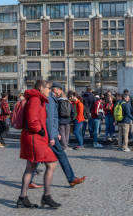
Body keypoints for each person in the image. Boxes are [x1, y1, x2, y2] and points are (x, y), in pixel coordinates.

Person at [17, 80, 60, 209]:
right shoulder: (36, 99)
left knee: (30, 167)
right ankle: (46, 196)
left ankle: (22, 198)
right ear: (41, 88)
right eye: (48, 88)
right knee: (51, 164)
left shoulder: (36, 98)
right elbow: (32, 119)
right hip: (35, 138)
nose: (50, 90)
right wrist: (40, 130)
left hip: (34, 137)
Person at [45, 82, 86, 187]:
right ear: (56, 89)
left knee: (39, 159)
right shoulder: (50, 99)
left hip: (53, 133)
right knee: (58, 156)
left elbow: (53, 119)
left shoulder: (52, 99)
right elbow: (50, 119)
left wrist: (56, 132)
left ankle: (71, 178)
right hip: (50, 135)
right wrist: (52, 135)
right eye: (60, 90)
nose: (61, 92)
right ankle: (71, 179)